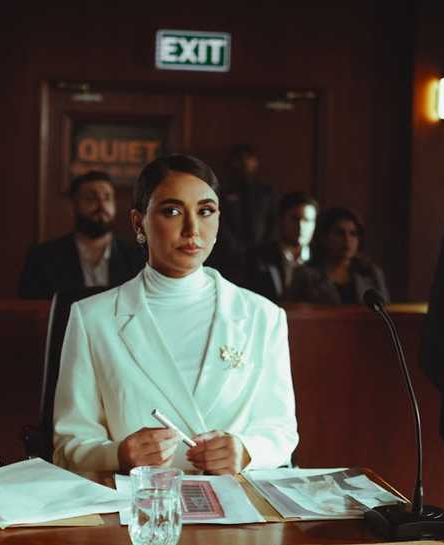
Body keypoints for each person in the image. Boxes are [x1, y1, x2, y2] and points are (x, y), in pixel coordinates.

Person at [52, 154, 298, 474]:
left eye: (206, 211)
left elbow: (280, 431)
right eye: (172, 211)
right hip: (137, 505)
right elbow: (70, 442)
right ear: (139, 223)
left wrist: (246, 452)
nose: (192, 229)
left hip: (235, 505)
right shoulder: (92, 318)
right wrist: (119, 455)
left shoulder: (263, 316)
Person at [18, 170, 145, 299]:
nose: (101, 205)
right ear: (73, 205)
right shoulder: (43, 258)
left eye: (107, 197)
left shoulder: (138, 257)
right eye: (91, 198)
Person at [286, 206, 390, 305]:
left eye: (353, 233)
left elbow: (385, 312)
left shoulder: (371, 273)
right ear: (324, 237)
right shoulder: (305, 275)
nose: (347, 240)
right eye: (340, 233)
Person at [206, 144, 276, 282]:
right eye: (239, 161)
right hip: (228, 257)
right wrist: (235, 249)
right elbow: (219, 221)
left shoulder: (266, 193)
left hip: (261, 256)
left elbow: (273, 222)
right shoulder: (222, 192)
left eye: (248, 160)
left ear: (255, 162)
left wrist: (263, 249)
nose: (244, 165)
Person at [244, 192, 318, 302]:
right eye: (295, 219)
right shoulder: (257, 258)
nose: (300, 226)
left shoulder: (321, 260)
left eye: (307, 220)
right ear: (281, 219)